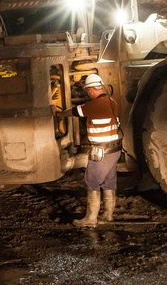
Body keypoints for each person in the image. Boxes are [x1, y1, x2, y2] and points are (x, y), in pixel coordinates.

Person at [55, 73, 121, 228]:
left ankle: (91, 219)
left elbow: (73, 112)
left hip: (101, 152)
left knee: (92, 182)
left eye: (88, 91)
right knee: (109, 182)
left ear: (92, 90)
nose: (88, 94)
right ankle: (108, 215)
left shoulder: (94, 105)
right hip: (114, 149)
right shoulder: (113, 103)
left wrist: (58, 113)